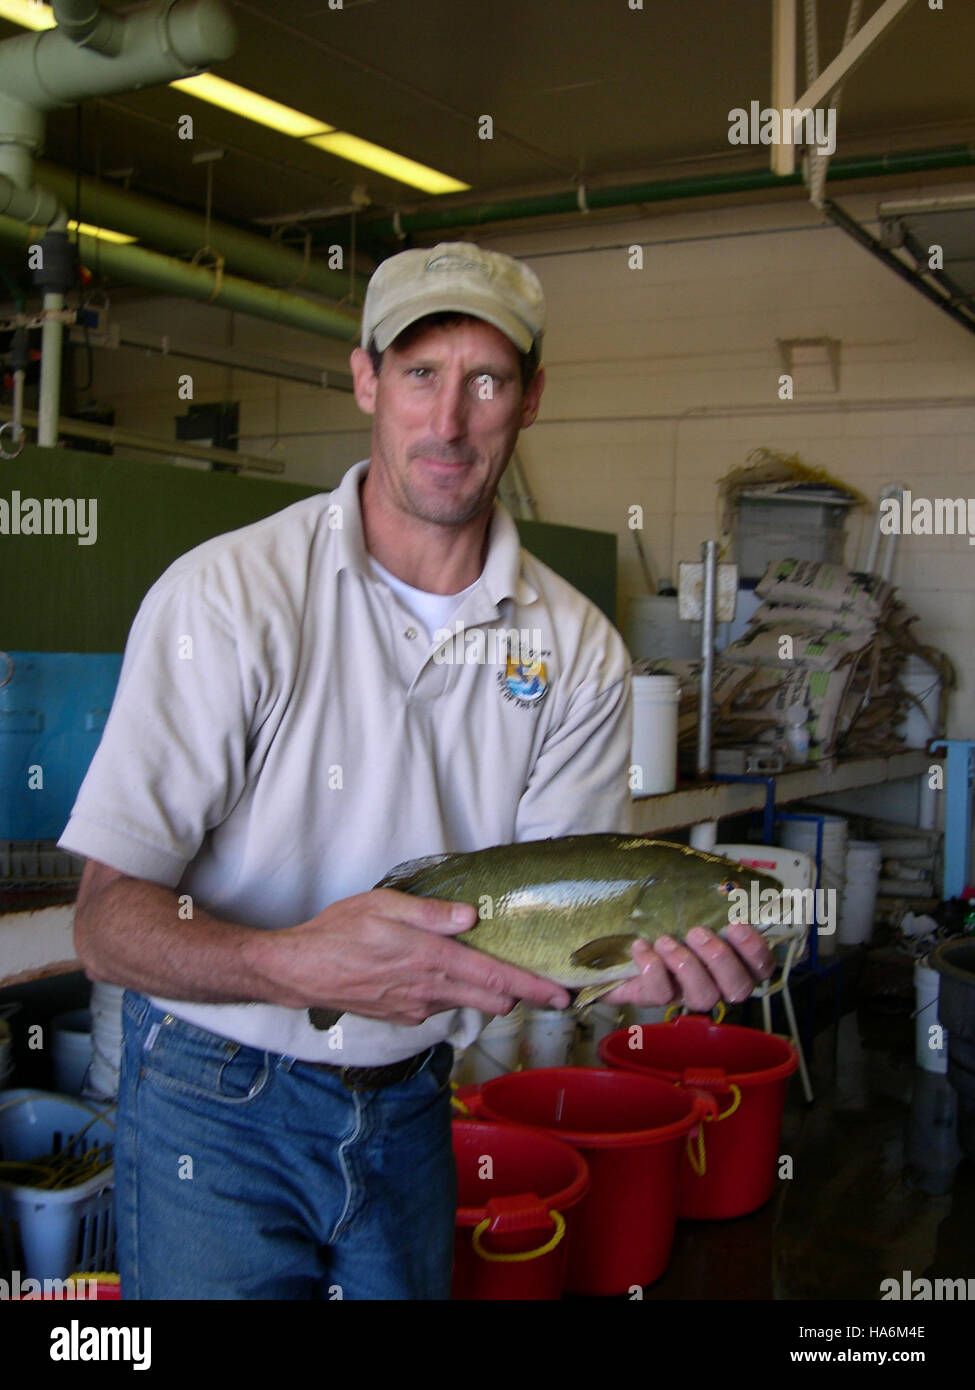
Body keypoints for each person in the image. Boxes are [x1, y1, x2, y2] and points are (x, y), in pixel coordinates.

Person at [60, 241, 773, 1300]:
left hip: (410, 1104)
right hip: (213, 1100)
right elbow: (102, 921)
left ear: (530, 399)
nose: (448, 422)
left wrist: (642, 976)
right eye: (419, 374)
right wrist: (291, 965)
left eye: (485, 380)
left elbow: (559, 926)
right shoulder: (227, 597)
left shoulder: (576, 652)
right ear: (364, 380)